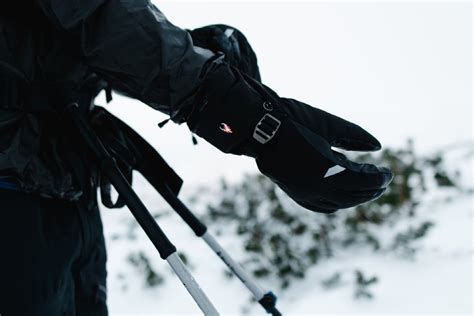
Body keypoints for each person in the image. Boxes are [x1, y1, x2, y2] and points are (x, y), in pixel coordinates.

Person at [0, 1, 393, 315]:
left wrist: (193, 49)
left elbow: (77, 34)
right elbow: (97, 15)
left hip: (62, 182)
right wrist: (239, 111)